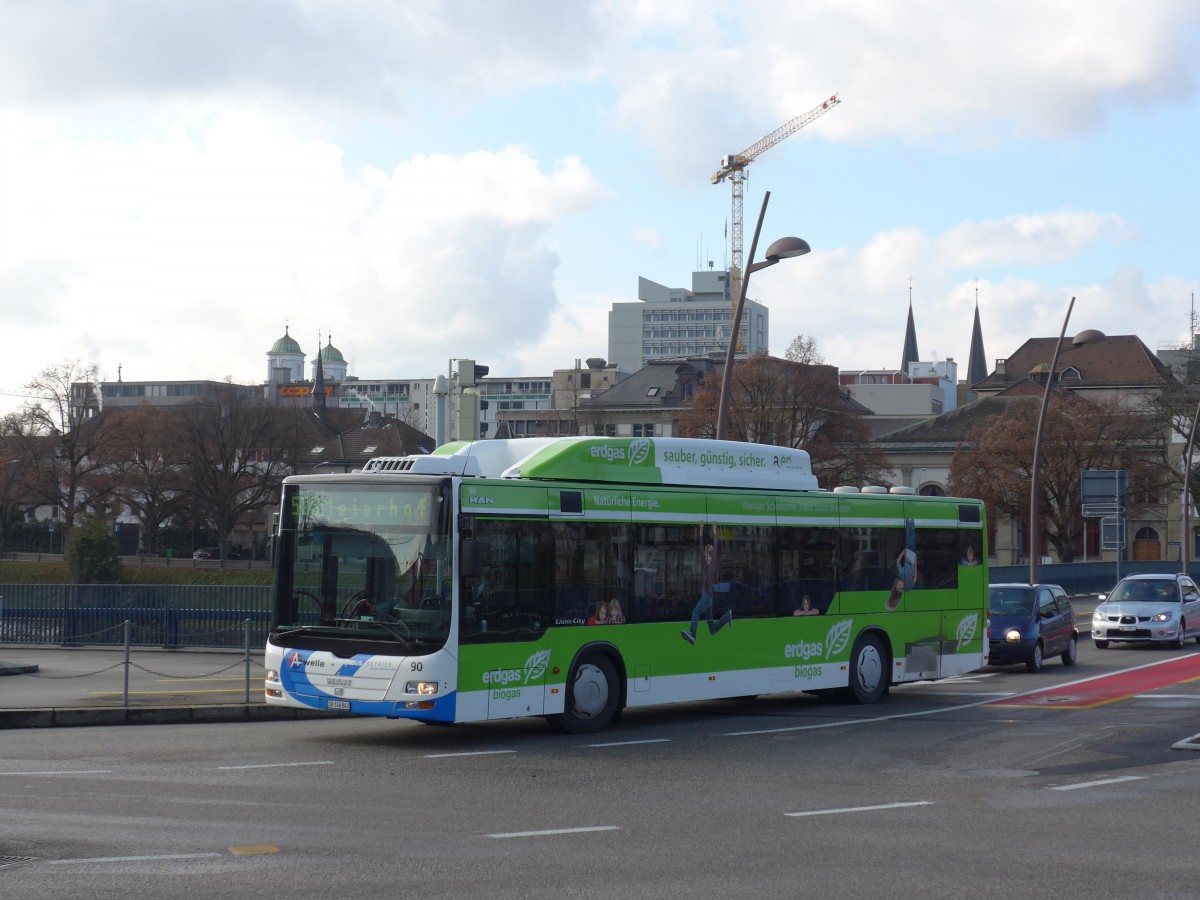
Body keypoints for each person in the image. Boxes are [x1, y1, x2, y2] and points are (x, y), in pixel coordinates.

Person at [681, 527, 731, 644]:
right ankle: (727, 616)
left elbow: (716, 548)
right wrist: (700, 532)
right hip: (707, 598)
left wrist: (715, 533)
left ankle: (693, 634)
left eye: (710, 556)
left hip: (708, 597)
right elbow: (700, 548)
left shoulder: (712, 566)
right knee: (712, 629)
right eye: (707, 556)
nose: (708, 558)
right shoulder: (704, 566)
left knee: (696, 611)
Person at [887, 518, 918, 611]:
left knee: (909, 541)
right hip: (913, 557)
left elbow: (897, 562)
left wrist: (903, 553)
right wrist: (916, 563)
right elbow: (915, 579)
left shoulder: (901, 574)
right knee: (911, 541)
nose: (900, 585)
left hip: (908, 555)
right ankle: (910, 523)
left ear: (896, 583)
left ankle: (909, 523)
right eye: (901, 588)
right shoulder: (908, 586)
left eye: (898, 586)